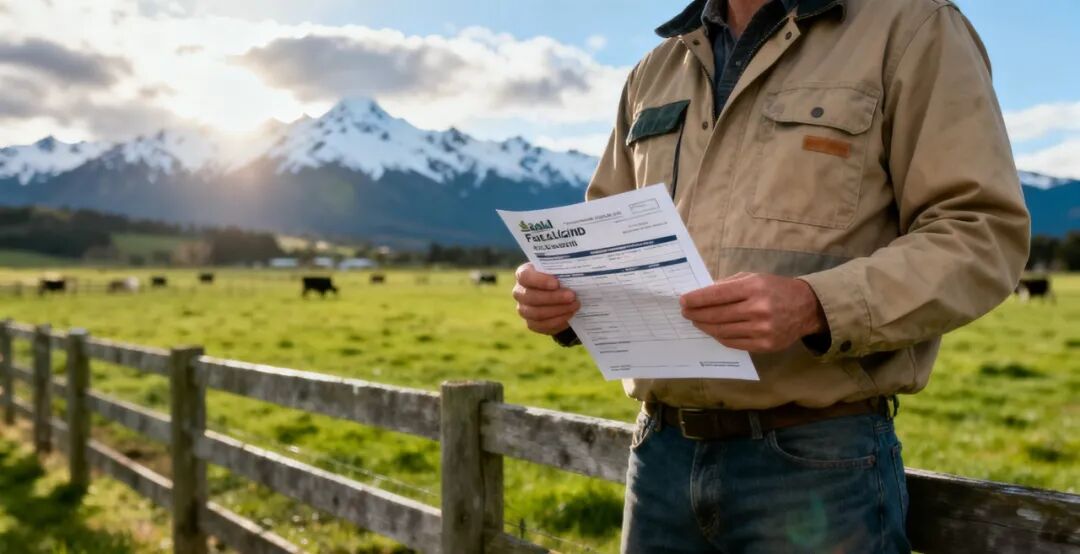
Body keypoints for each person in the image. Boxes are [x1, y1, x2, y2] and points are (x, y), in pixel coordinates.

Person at [511, 0, 1030, 551]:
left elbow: (981, 232)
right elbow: (604, 234)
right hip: (658, 456)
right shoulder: (654, 69)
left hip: (817, 463)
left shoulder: (912, 27)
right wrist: (563, 298)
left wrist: (817, 304)